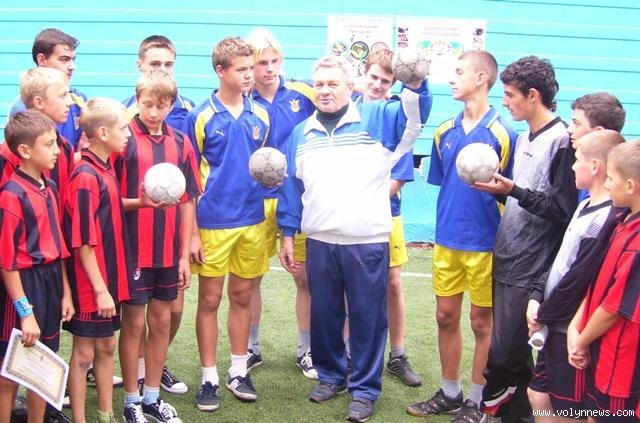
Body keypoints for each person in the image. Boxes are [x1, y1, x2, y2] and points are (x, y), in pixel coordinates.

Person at [277, 55, 432, 422]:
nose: (325, 90)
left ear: (351, 87)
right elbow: (292, 188)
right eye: (319, 84)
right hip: (320, 240)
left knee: (367, 319)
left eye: (333, 84)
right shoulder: (301, 133)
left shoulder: (377, 117)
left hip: (366, 241)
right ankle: (331, 375)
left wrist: (415, 84)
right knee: (325, 314)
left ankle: (364, 390)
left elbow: (415, 117)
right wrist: (288, 233)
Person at [407, 50, 517, 422]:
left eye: (459, 72)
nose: (452, 79)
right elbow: (444, 184)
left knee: (482, 324)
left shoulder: (504, 133)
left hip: (486, 244)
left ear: (482, 78)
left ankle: (476, 400)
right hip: (447, 241)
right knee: (445, 316)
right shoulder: (444, 131)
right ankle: (450, 392)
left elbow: (512, 193)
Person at [474, 55, 578, 422]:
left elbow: (563, 210)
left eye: (509, 94)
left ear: (533, 95)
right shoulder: (521, 138)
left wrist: (514, 191)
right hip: (507, 255)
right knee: (510, 355)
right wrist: (501, 192)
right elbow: (526, 198)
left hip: (532, 265)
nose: (504, 101)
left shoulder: (561, 141)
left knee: (507, 355)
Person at [185, 36, 270, 412]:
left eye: (252, 68)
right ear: (220, 71)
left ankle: (238, 370)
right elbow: (190, 181)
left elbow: (264, 165)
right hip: (213, 223)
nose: (250, 75)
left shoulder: (262, 115)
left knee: (242, 296)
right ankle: (209, 377)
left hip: (252, 220)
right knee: (209, 300)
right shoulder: (201, 116)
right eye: (241, 69)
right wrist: (191, 232)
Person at [115, 70, 200, 423]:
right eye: (147, 104)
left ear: (171, 105)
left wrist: (184, 255)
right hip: (132, 249)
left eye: (160, 106)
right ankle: (131, 400)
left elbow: (188, 199)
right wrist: (140, 203)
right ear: (137, 100)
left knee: (162, 320)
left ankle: (152, 397)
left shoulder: (180, 142)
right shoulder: (122, 139)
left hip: (167, 251)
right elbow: (110, 198)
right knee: (134, 324)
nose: (152, 112)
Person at [524, 130, 624, 422]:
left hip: (569, 329)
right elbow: (560, 260)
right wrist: (536, 295)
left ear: (594, 167)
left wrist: (544, 314)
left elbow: (578, 279)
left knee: (570, 410)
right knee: (538, 394)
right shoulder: (584, 206)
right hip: (553, 322)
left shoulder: (605, 219)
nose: (572, 165)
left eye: (577, 159)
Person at [244, 27, 317, 378]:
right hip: (256, 202)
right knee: (250, 278)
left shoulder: (304, 93)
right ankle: (251, 347)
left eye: (274, 61)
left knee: (304, 278)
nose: (269, 68)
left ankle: (307, 349)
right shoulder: (242, 100)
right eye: (262, 63)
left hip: (298, 200)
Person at [351, 48, 422, 387]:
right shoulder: (347, 109)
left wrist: (370, 201)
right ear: (363, 75)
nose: (378, 85)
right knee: (348, 285)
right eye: (374, 77)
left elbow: (400, 176)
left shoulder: (396, 114)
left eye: (386, 80)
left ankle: (397, 354)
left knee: (392, 282)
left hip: (385, 213)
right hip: (347, 215)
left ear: (394, 83)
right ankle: (348, 353)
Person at [0, 111, 74, 423]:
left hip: (51, 283)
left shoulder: (50, 187)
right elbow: (6, 263)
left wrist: (65, 293)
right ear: (25, 151)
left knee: (42, 366)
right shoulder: (10, 195)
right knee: (10, 372)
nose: (57, 150)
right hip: (23, 286)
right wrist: (25, 312)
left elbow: (58, 249)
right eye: (49, 144)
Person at [63, 98, 133, 423]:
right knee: (83, 354)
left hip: (108, 280)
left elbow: (109, 209)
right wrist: (101, 290)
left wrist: (143, 202)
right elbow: (82, 241)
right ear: (103, 133)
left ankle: (106, 415)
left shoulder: (105, 166)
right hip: (91, 285)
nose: (128, 134)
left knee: (106, 347)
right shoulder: (85, 176)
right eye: (123, 128)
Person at [567, 140, 640, 422]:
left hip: (621, 366)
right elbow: (600, 284)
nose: (606, 185)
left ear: (630, 186)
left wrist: (581, 341)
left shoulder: (636, 245)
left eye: (611, 178)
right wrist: (577, 326)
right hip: (604, 355)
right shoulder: (622, 222)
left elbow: (613, 308)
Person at [7, 28, 87, 149]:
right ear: (42, 60)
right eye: (64, 59)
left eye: (73, 59)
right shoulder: (22, 108)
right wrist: (80, 156)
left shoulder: (78, 98)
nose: (72, 66)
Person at [123, 35, 195, 133]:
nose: (162, 70)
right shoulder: (124, 111)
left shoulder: (188, 108)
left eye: (168, 65)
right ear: (139, 65)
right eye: (155, 64)